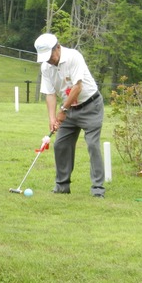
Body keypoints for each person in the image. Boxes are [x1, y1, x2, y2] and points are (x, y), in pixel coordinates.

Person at [34, 33, 105, 198]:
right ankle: (62, 185)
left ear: (57, 47)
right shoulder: (46, 67)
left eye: (50, 55)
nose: (49, 60)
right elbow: (50, 94)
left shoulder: (74, 57)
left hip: (90, 105)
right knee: (60, 144)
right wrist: (52, 118)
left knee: (93, 145)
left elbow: (77, 87)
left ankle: (97, 189)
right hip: (68, 109)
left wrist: (62, 111)